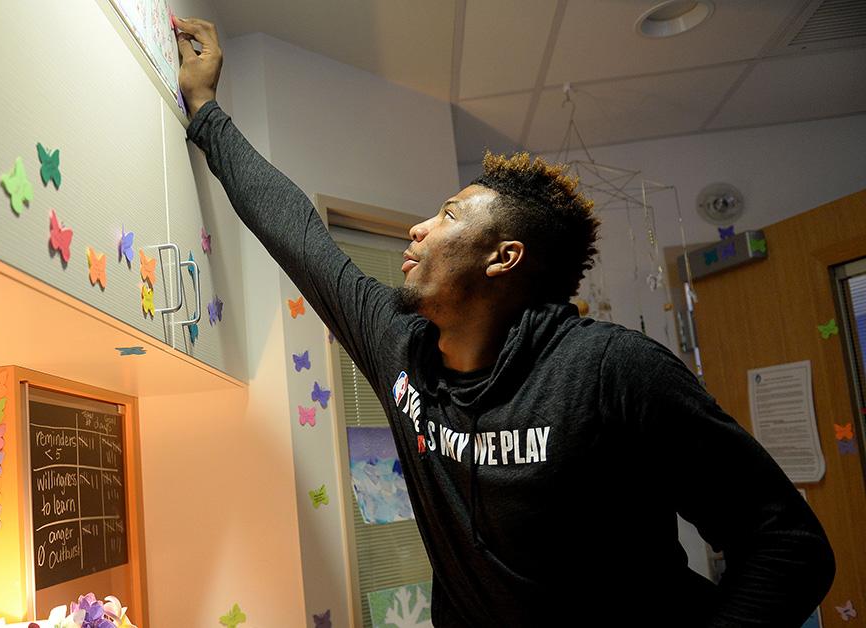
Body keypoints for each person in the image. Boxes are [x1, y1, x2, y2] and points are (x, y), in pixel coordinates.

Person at [172, 16, 836, 627]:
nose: (419, 227)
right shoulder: (400, 347)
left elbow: (786, 547)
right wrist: (206, 111)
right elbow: (299, 234)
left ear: (503, 257)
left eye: (450, 215)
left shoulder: (611, 373)